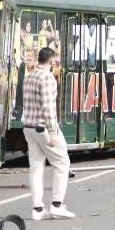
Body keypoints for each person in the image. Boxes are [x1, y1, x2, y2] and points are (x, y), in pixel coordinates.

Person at [21, 46, 73, 220]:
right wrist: (52, 134)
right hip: (43, 128)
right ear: (51, 61)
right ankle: (57, 205)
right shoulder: (48, 78)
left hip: (28, 127)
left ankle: (37, 209)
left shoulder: (29, 77)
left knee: (36, 168)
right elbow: (49, 108)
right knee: (62, 163)